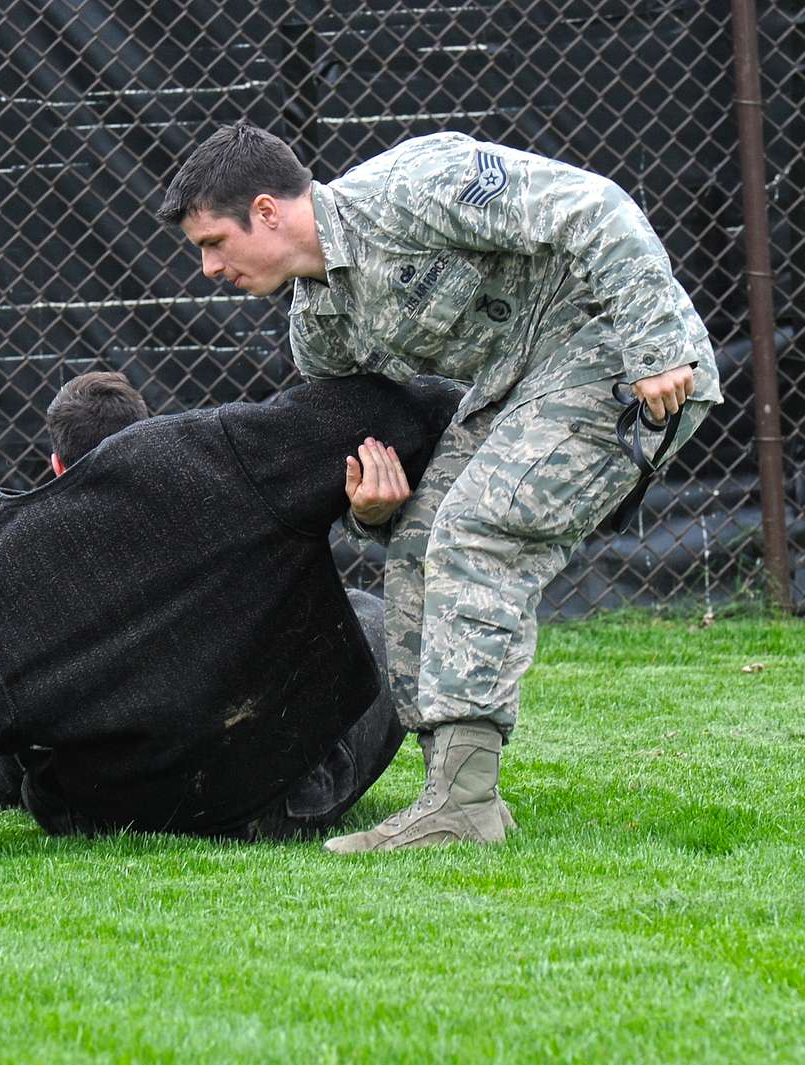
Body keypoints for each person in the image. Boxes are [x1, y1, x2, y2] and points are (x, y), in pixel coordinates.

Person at [158, 122, 722, 851]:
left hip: (612, 351)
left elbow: (593, 207)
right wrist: (373, 510)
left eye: (213, 243)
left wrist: (656, 346)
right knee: (421, 541)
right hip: (514, 389)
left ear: (266, 211)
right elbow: (371, 455)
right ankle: (449, 796)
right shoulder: (319, 328)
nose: (207, 268)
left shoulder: (412, 187)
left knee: (476, 532)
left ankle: (464, 806)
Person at [0, 369, 463, 842]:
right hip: (259, 804)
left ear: (56, 466)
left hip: (91, 809)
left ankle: (14, 779)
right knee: (367, 615)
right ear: (146, 433)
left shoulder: (17, 547)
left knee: (13, 671)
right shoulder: (224, 463)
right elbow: (388, 408)